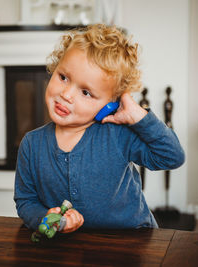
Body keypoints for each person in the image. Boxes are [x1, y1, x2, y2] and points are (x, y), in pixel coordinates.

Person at [14, 24, 185, 234]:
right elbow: (26, 201)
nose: (66, 94)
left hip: (133, 241)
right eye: (63, 77)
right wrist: (47, 219)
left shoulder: (117, 135)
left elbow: (172, 157)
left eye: (86, 92)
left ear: (109, 105)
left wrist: (138, 115)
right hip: (72, 248)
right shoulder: (31, 145)